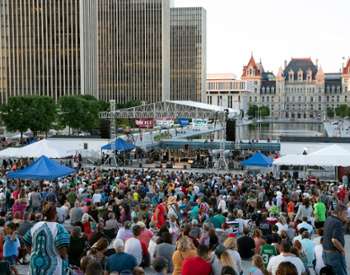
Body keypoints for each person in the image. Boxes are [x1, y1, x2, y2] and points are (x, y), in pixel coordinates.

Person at [23, 201, 70, 274]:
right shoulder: (59, 228)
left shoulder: (36, 226)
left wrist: (32, 253)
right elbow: (62, 249)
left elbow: (26, 241)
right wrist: (65, 258)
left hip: (35, 267)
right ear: (55, 214)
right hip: (53, 268)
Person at [322, 203, 348, 275]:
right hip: (334, 255)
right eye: (345, 213)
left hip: (325, 254)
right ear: (339, 213)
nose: (347, 215)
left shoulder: (328, 218)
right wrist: (342, 250)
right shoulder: (337, 222)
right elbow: (334, 240)